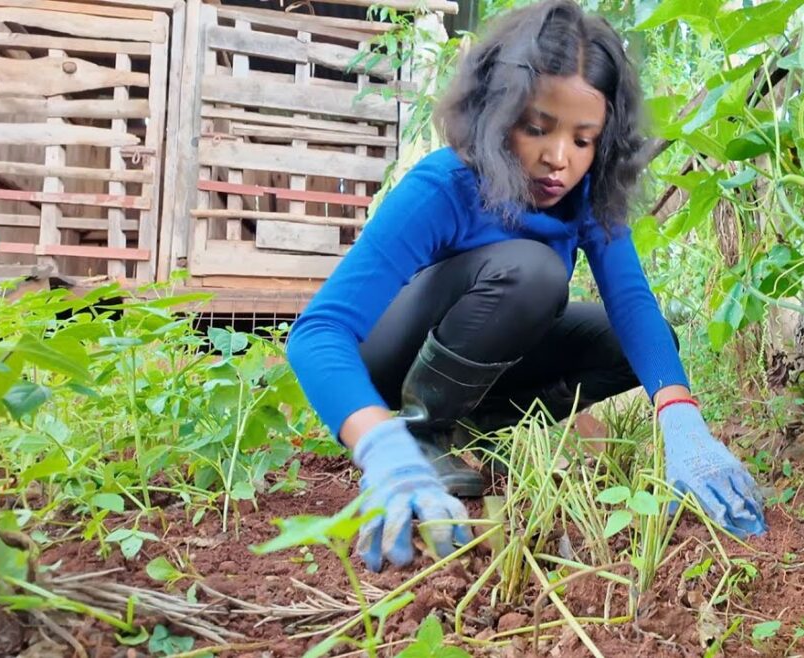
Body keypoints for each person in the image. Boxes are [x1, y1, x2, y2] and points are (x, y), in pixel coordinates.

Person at [286, 0, 766, 573]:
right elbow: (317, 333)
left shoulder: (584, 199)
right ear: (496, 114)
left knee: (627, 340)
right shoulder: (444, 185)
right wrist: (376, 441)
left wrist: (682, 420)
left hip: (481, 358)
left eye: (583, 140)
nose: (557, 159)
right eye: (537, 128)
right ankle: (415, 436)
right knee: (533, 272)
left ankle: (471, 428)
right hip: (394, 362)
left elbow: (633, 304)